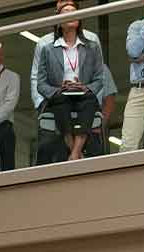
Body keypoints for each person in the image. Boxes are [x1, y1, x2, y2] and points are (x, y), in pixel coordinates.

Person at [34, 2, 113, 162]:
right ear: (59, 22)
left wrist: (85, 87)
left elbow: (100, 78)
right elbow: (40, 83)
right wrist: (57, 89)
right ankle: (77, 153)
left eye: (73, 12)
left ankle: (74, 153)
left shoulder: (92, 47)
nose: (70, 14)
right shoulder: (48, 49)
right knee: (61, 101)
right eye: (66, 12)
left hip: (83, 93)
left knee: (90, 100)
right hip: (60, 94)